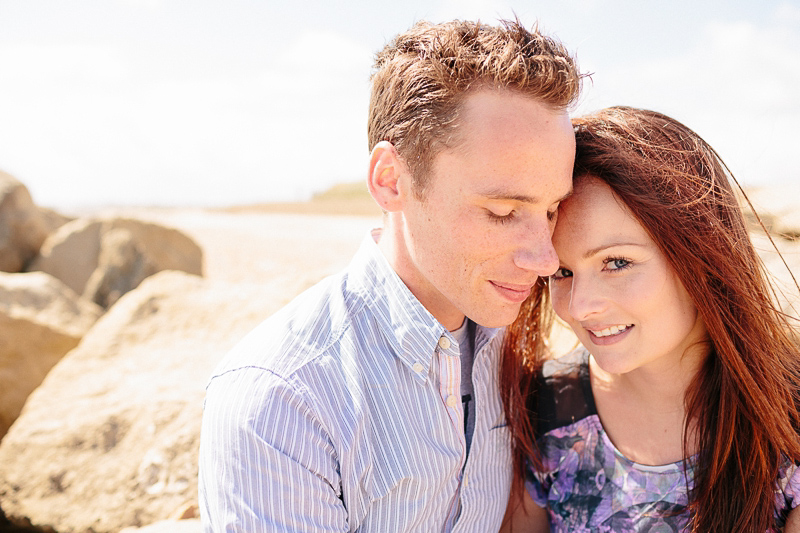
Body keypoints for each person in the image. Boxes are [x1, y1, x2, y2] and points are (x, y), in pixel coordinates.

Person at [199, 18, 583, 531]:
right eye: (502, 211)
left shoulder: (513, 348)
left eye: (552, 209)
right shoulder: (282, 401)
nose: (542, 259)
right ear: (391, 181)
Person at [500, 106, 800, 532]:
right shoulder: (542, 408)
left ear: (703, 257)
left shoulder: (787, 422)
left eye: (617, 262)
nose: (580, 306)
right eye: (562, 273)